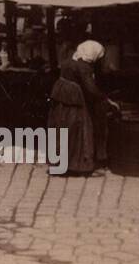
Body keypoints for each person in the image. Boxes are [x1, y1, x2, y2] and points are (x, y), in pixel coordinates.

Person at [47, 40, 118, 177]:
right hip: (73, 100)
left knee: (61, 128)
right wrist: (106, 100)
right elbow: (90, 89)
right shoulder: (83, 67)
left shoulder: (71, 60)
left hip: (62, 98)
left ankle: (59, 163)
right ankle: (78, 165)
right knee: (80, 129)